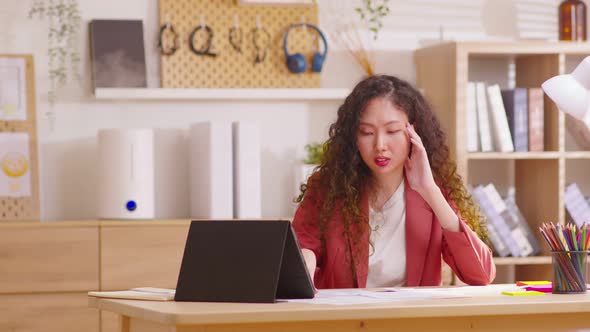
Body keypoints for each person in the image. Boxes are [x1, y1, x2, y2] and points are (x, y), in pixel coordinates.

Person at [292, 75, 495, 289]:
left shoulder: (434, 192)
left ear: (413, 132)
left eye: (392, 131)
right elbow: (303, 248)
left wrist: (430, 192)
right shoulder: (327, 187)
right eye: (367, 132)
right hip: (345, 319)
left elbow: (481, 274)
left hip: (409, 320)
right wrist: (306, 258)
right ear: (353, 137)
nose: (380, 145)